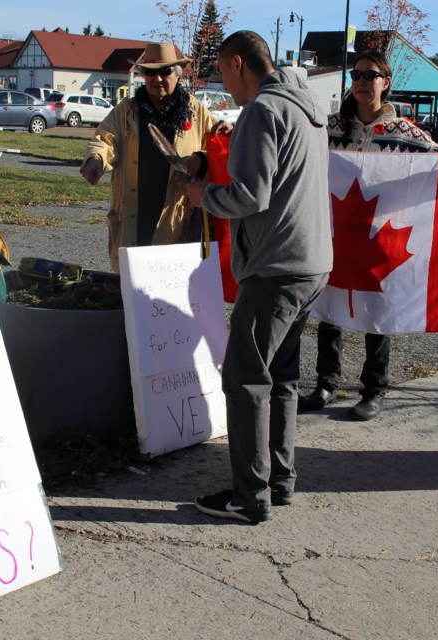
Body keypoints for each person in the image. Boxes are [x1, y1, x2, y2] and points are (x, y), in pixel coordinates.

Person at [182, 30, 333, 524]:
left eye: (223, 74)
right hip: (311, 261)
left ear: (238, 63)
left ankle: (250, 497)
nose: (225, 88)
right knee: (281, 376)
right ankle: (279, 481)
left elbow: (251, 195)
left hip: (276, 265)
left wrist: (202, 195)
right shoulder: (307, 107)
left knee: (245, 379)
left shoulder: (263, 112)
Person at [298, 51, 438, 421]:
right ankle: (326, 382)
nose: (361, 81)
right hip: (335, 233)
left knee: (378, 312)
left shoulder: (406, 134)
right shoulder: (328, 127)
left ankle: (373, 388)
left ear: (386, 82)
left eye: (371, 74)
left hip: (380, 239)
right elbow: (291, 144)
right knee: (329, 310)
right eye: (356, 74)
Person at [80, 42, 227, 272]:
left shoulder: (196, 113)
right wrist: (96, 159)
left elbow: (220, 152)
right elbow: (105, 139)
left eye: (165, 72)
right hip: (133, 220)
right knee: (130, 292)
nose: (157, 79)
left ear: (178, 75)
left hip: (175, 221)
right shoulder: (126, 111)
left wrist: (200, 158)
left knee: (170, 290)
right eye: (150, 72)